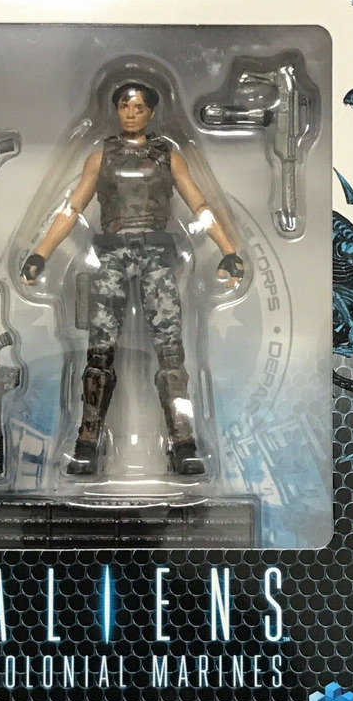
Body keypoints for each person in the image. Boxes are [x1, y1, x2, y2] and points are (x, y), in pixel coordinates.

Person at [21, 82, 243, 476]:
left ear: (151, 112)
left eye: (139, 107)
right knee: (99, 353)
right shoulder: (100, 158)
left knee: (170, 353)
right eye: (124, 106)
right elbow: (72, 209)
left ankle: (183, 442)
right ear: (116, 110)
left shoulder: (168, 157)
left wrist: (229, 249)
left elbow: (200, 205)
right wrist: (41, 253)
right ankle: (87, 442)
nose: (131, 113)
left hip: (157, 257)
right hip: (112, 256)